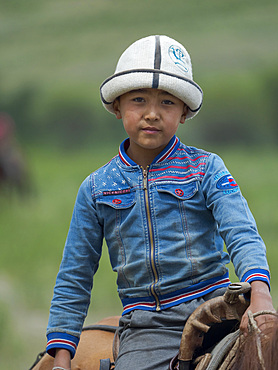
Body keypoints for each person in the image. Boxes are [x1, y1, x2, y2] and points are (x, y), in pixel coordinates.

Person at [46, 35, 274, 370]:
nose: (152, 114)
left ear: (183, 112)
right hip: (149, 326)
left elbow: (241, 233)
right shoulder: (96, 189)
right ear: (118, 106)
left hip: (219, 307)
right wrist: (62, 358)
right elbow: (74, 276)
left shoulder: (207, 168)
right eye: (139, 100)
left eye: (167, 102)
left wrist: (261, 293)